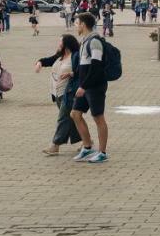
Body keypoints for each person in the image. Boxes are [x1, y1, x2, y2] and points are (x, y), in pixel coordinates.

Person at [69, 12, 110, 163]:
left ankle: (103, 152)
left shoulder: (94, 42)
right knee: (75, 114)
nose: (75, 26)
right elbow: (84, 66)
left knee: (98, 117)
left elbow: (96, 67)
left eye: (76, 23)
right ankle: (87, 148)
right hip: (85, 86)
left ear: (83, 25)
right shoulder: (84, 41)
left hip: (95, 86)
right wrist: (73, 75)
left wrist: (84, 86)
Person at [36, 33, 81, 155]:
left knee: (62, 119)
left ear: (67, 44)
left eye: (60, 42)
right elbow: (48, 60)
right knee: (71, 119)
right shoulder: (59, 56)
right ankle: (87, 141)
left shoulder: (75, 56)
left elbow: (81, 71)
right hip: (57, 93)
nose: (59, 44)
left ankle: (55, 145)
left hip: (69, 93)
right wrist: (39, 62)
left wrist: (71, 74)